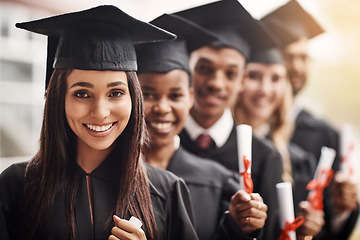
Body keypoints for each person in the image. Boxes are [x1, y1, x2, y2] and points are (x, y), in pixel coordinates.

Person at [0, 6, 199, 240]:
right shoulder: (16, 187)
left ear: (134, 99)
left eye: (115, 93)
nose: (101, 112)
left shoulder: (167, 191)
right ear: (58, 99)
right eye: (82, 93)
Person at [136, 13, 268, 240]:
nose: (162, 107)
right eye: (147, 94)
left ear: (190, 98)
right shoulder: (105, 174)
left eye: (175, 95)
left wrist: (238, 226)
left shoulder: (219, 182)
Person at [173, 0, 284, 239]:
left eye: (230, 73)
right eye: (204, 68)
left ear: (243, 80)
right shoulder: (163, 143)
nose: (216, 83)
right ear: (187, 70)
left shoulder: (264, 157)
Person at [261, 1, 359, 239]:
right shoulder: (251, 126)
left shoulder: (325, 134)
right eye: (289, 56)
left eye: (304, 58)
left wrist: (342, 209)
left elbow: (334, 228)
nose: (297, 66)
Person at [231, 32, 328, 239]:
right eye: (254, 76)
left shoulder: (298, 160)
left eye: (276, 78)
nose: (265, 90)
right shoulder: (216, 147)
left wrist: (305, 232)